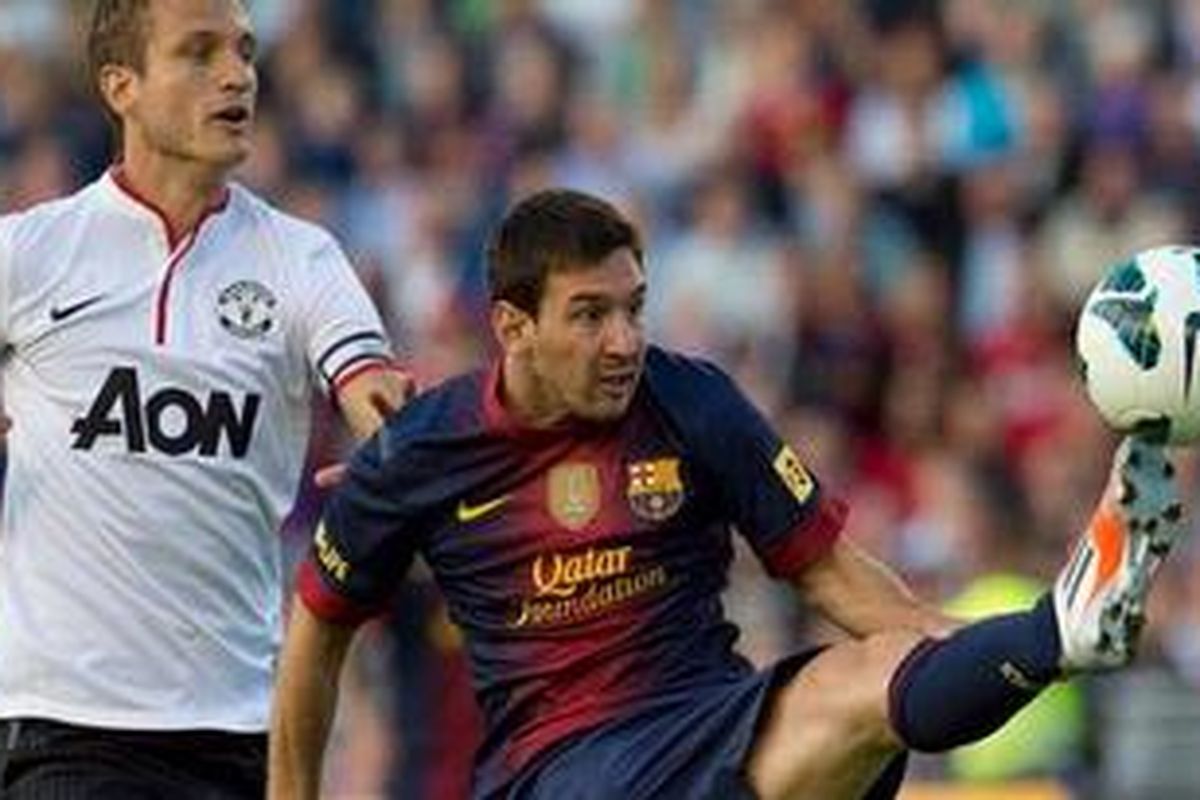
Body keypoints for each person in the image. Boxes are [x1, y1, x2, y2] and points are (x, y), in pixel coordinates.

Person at [269, 188, 1186, 799]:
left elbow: (848, 590)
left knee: (867, 678)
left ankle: (1062, 627)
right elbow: (314, 640)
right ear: (513, 325)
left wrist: (1030, 648)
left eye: (634, 306)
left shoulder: (691, 399)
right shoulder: (420, 455)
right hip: (561, 770)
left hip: (710, 722)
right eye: (590, 315)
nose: (624, 339)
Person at [0, 1, 408, 797]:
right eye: (199, 53)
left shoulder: (300, 258)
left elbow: (373, 393)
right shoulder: (30, 253)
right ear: (122, 85)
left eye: (245, 52)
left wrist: (401, 449)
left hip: (242, 734)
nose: (237, 75)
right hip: (69, 727)